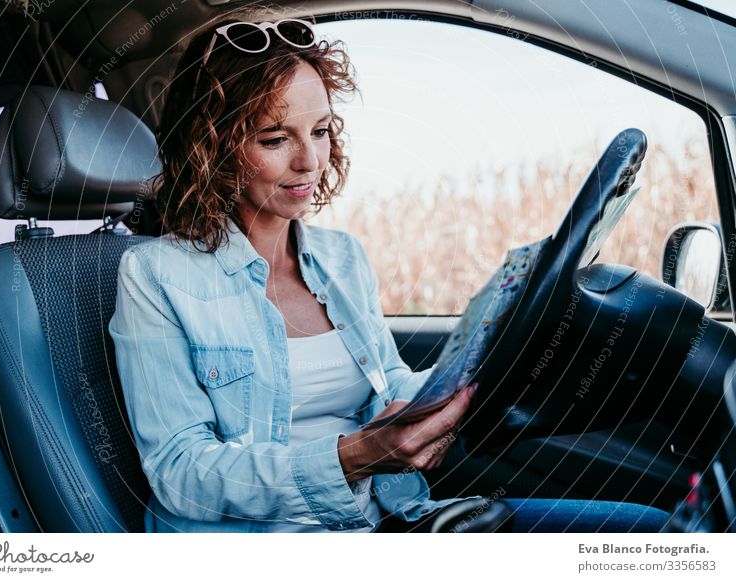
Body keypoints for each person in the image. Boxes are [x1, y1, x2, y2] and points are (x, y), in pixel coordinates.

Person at [109, 10, 670, 533]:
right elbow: (181, 474)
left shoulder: (341, 257)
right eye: (275, 139)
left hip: (385, 516)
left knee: (649, 528)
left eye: (322, 131)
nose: (309, 161)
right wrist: (356, 456)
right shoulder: (155, 275)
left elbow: (392, 384)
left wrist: (480, 369)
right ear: (213, 148)